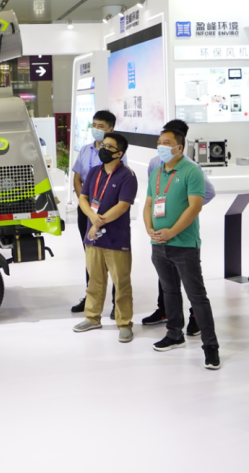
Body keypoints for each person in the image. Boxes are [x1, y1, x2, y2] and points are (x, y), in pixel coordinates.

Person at [145, 128, 220, 370]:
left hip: (184, 244)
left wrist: (172, 232)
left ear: (179, 147)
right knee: (169, 292)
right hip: (158, 244)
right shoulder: (156, 172)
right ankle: (174, 333)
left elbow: (195, 207)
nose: (161, 147)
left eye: (166, 143)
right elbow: (148, 204)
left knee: (197, 296)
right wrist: (149, 229)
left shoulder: (191, 171)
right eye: (159, 143)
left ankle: (210, 347)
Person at [73, 133, 137, 343]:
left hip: (116, 240)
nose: (103, 148)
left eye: (109, 146)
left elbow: (123, 205)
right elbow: (84, 197)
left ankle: (124, 323)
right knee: (94, 281)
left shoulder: (127, 176)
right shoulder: (93, 172)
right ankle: (92, 317)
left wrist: (98, 222)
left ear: (119, 153)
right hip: (93, 238)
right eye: (103, 145)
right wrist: (92, 217)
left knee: (121, 283)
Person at [71, 110, 117, 315]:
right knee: (90, 254)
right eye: (94, 125)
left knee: (114, 256)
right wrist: (86, 207)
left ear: (110, 129)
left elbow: (118, 182)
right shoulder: (85, 150)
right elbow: (77, 179)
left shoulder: (116, 152)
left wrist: (102, 211)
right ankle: (91, 297)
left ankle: (118, 302)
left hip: (108, 213)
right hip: (87, 210)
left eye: (101, 126)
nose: (96, 129)